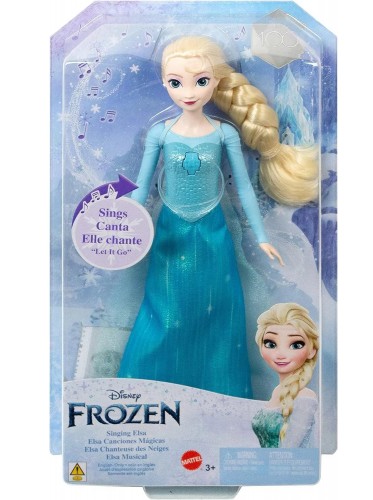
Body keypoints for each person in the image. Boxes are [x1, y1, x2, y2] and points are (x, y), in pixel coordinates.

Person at [118, 36, 317, 398]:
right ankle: (146, 390)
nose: (188, 92)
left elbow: (243, 187)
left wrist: (262, 237)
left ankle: (221, 393)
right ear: (164, 82)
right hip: (169, 233)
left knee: (220, 309)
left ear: (216, 81)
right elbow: (140, 187)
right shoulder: (161, 133)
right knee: (164, 308)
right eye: (176, 82)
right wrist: (128, 232)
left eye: (200, 81)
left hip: (213, 232)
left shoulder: (224, 133)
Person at [252, 303, 319, 447]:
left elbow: (289, 450)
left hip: (288, 461)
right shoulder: (277, 391)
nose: (281, 354)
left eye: (296, 345)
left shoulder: (305, 397)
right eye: (270, 344)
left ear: (312, 351)